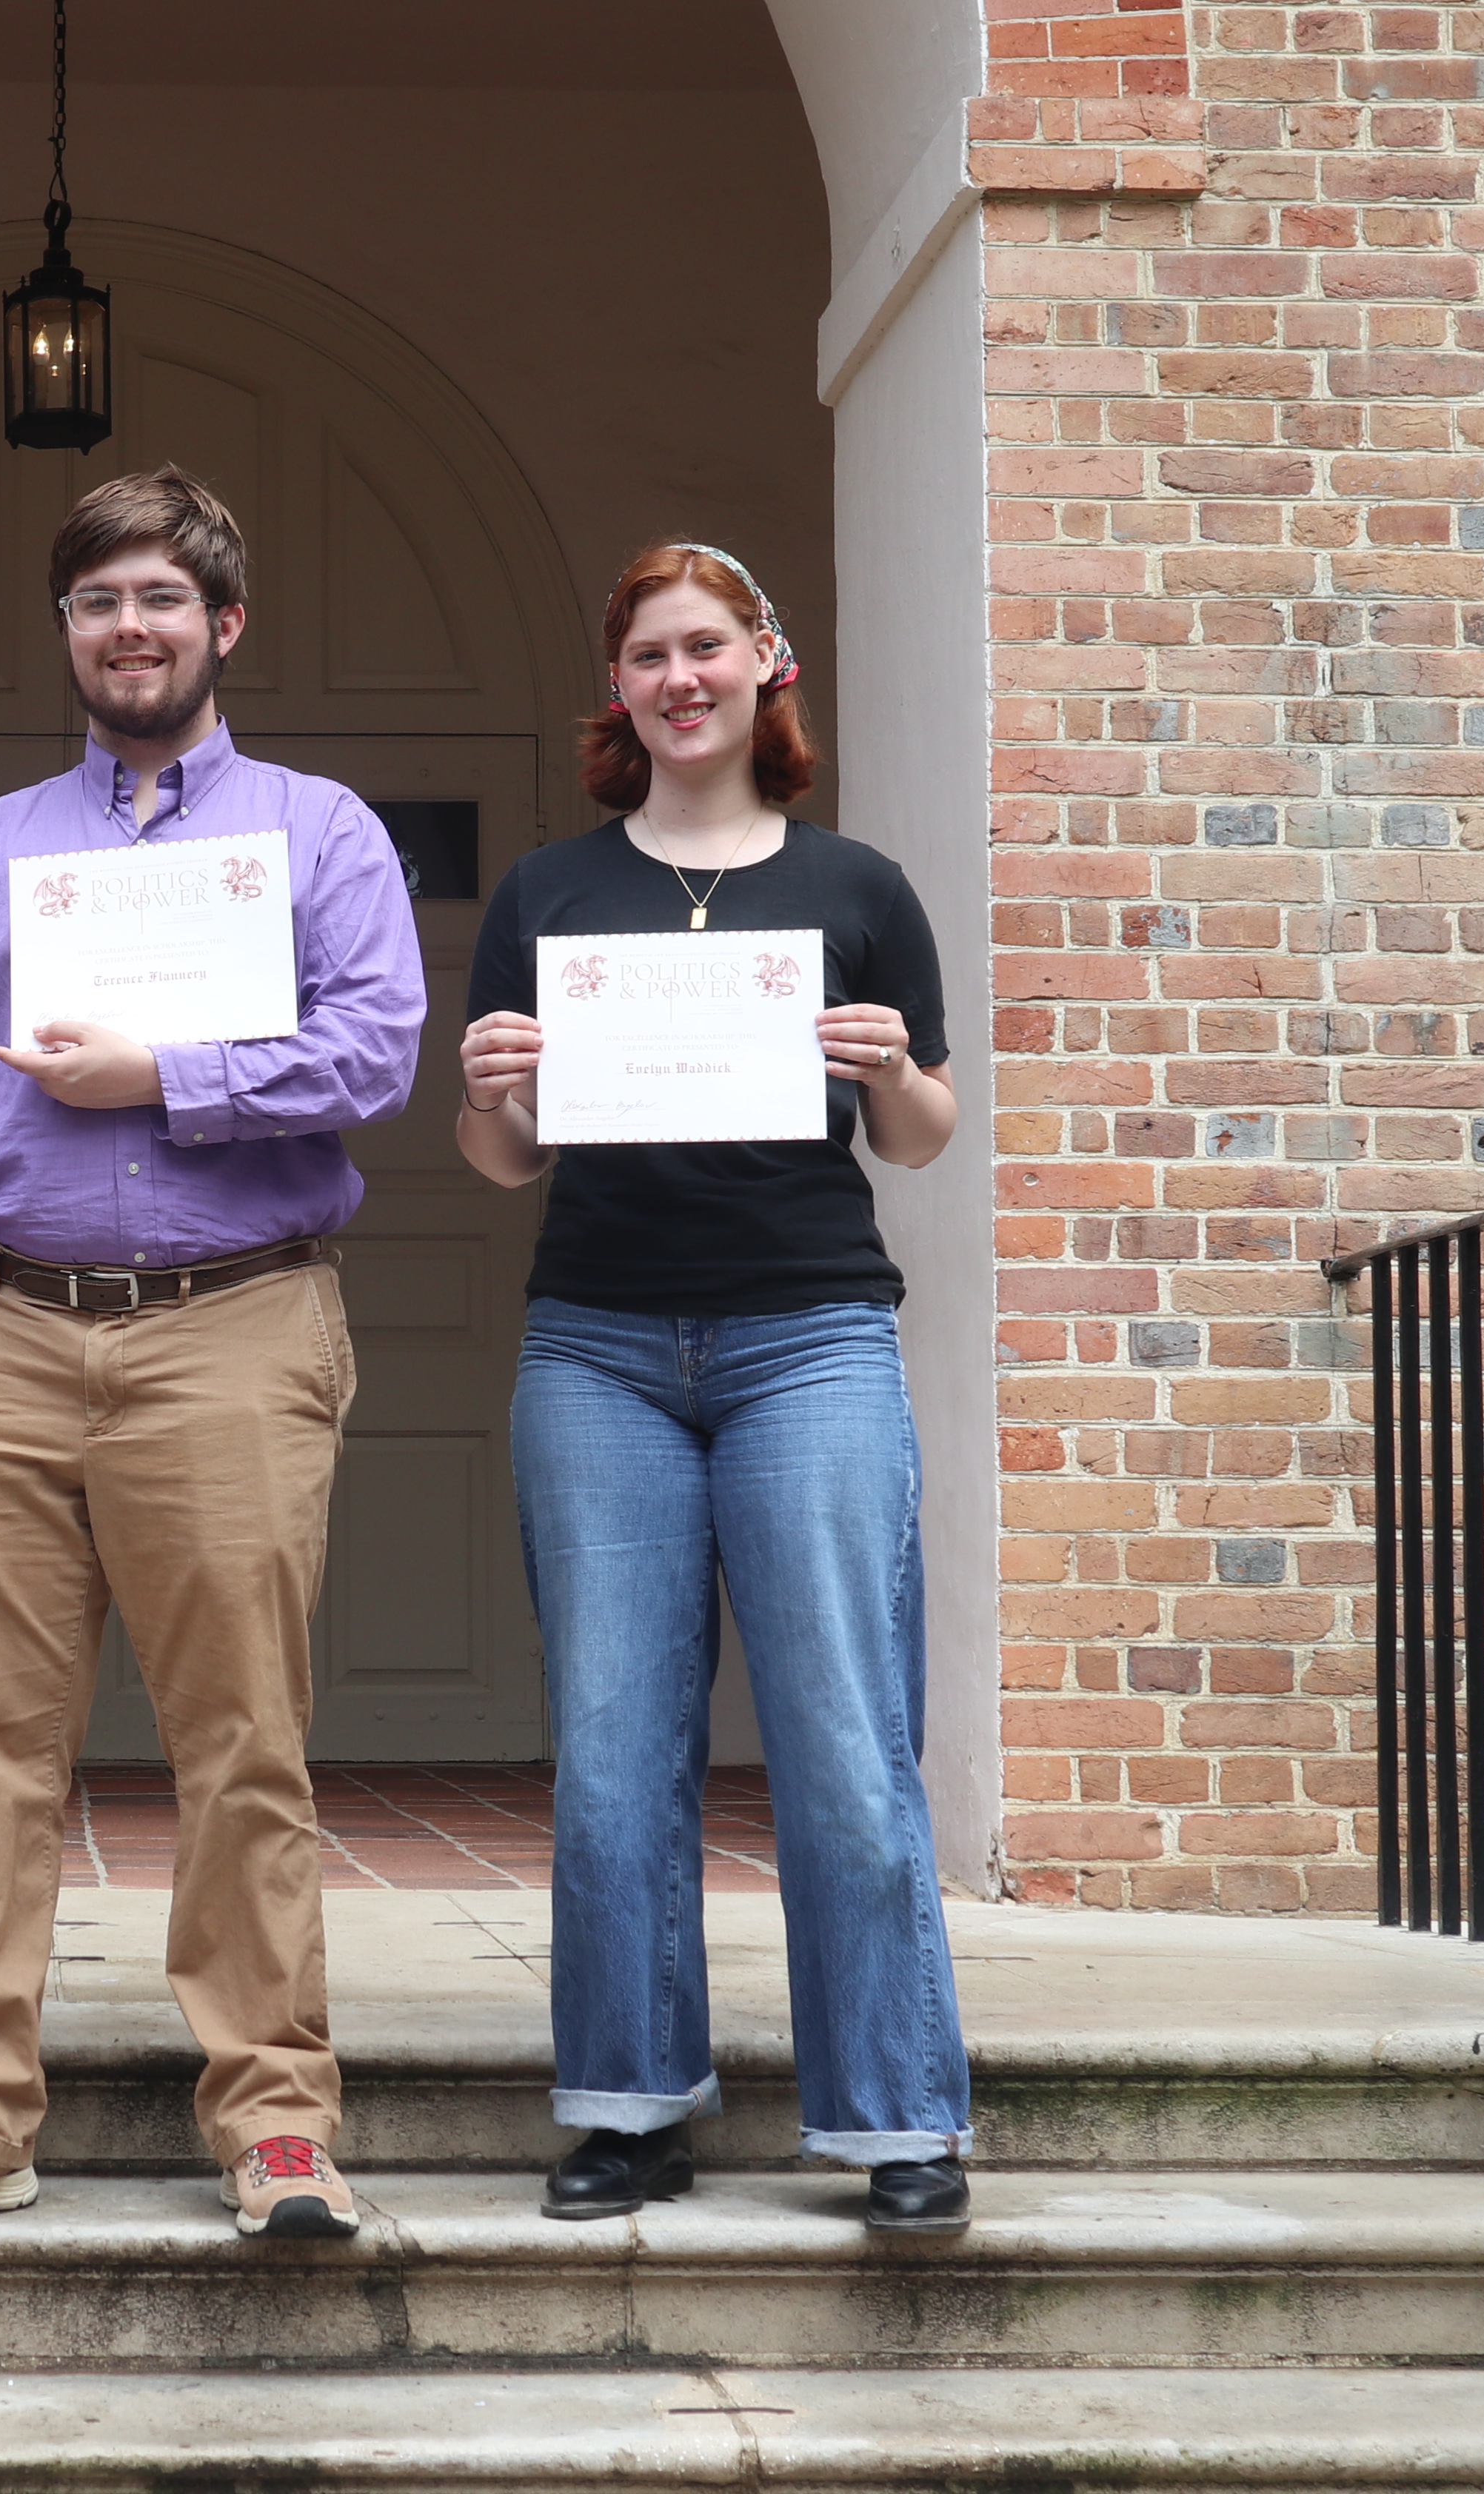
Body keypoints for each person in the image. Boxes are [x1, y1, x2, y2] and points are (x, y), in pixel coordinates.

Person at [0, 466, 425, 2241]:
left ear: (224, 625)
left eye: (163, 600)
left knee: (244, 1738)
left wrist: (162, 1075)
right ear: (67, 633)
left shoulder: (319, 833)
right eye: (98, 602)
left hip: (232, 1322)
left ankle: (276, 2122)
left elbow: (380, 1048)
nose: (131, 629)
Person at [452, 541, 973, 2236]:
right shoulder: (546, 893)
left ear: (769, 666)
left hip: (808, 1333)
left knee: (841, 1739)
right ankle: (623, 2106)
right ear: (621, 690)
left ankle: (897, 2115)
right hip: (599, 1341)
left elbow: (921, 1133)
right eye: (649, 655)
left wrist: (890, 1067)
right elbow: (502, 1161)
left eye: (709, 646)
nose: (681, 678)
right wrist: (492, 1086)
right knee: (613, 1749)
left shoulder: (859, 884)